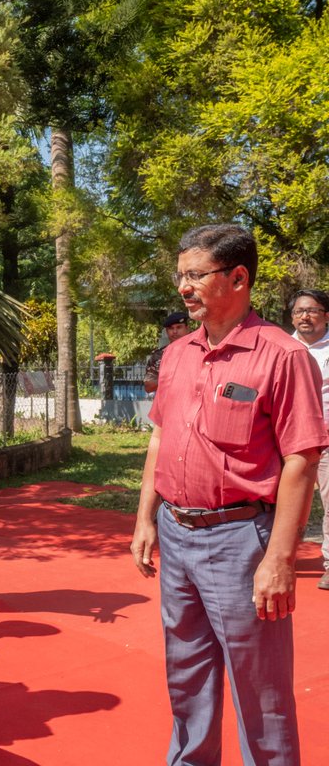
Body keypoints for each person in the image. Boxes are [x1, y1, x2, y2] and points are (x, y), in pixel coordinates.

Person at [129, 224, 326, 766]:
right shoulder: (177, 354)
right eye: (180, 276)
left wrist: (280, 558)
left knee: (261, 689)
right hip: (176, 533)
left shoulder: (283, 356)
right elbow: (161, 436)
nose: (183, 288)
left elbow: (301, 458)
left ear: (238, 278)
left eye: (196, 275)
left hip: (241, 540)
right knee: (186, 675)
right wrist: (146, 518)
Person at [288, 288, 329, 591]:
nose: (305, 316)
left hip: (327, 439)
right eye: (299, 311)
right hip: (289, 442)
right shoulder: (280, 348)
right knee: (282, 503)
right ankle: (281, 557)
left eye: (312, 310)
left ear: (326, 316)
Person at [143, 311, 191, 394]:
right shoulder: (159, 355)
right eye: (171, 328)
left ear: (187, 328)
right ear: (166, 331)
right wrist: (174, 378)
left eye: (179, 327)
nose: (175, 331)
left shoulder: (199, 351)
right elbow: (149, 386)